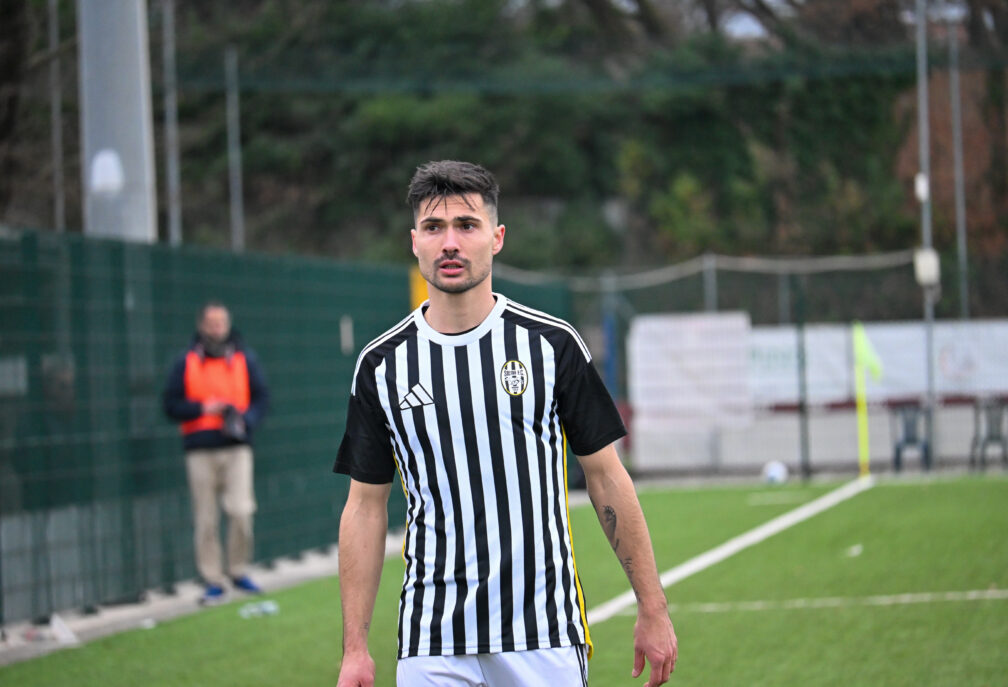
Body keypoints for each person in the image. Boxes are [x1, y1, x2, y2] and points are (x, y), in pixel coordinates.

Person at [333, 161, 677, 686]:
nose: (450, 243)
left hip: (543, 633)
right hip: (432, 640)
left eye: (466, 225)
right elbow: (364, 507)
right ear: (414, 242)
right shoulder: (381, 365)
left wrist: (652, 606)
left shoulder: (553, 346)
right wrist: (355, 648)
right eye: (434, 227)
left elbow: (607, 477)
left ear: (496, 238)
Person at [163, 301, 269, 605]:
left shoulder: (245, 358)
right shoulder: (185, 362)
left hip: (237, 447)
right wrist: (202, 408)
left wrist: (245, 420)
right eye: (211, 322)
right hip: (200, 449)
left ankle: (238, 570)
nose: (217, 328)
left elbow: (262, 398)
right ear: (201, 325)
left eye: (221, 322)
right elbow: (170, 404)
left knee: (241, 512)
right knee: (206, 518)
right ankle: (213, 579)